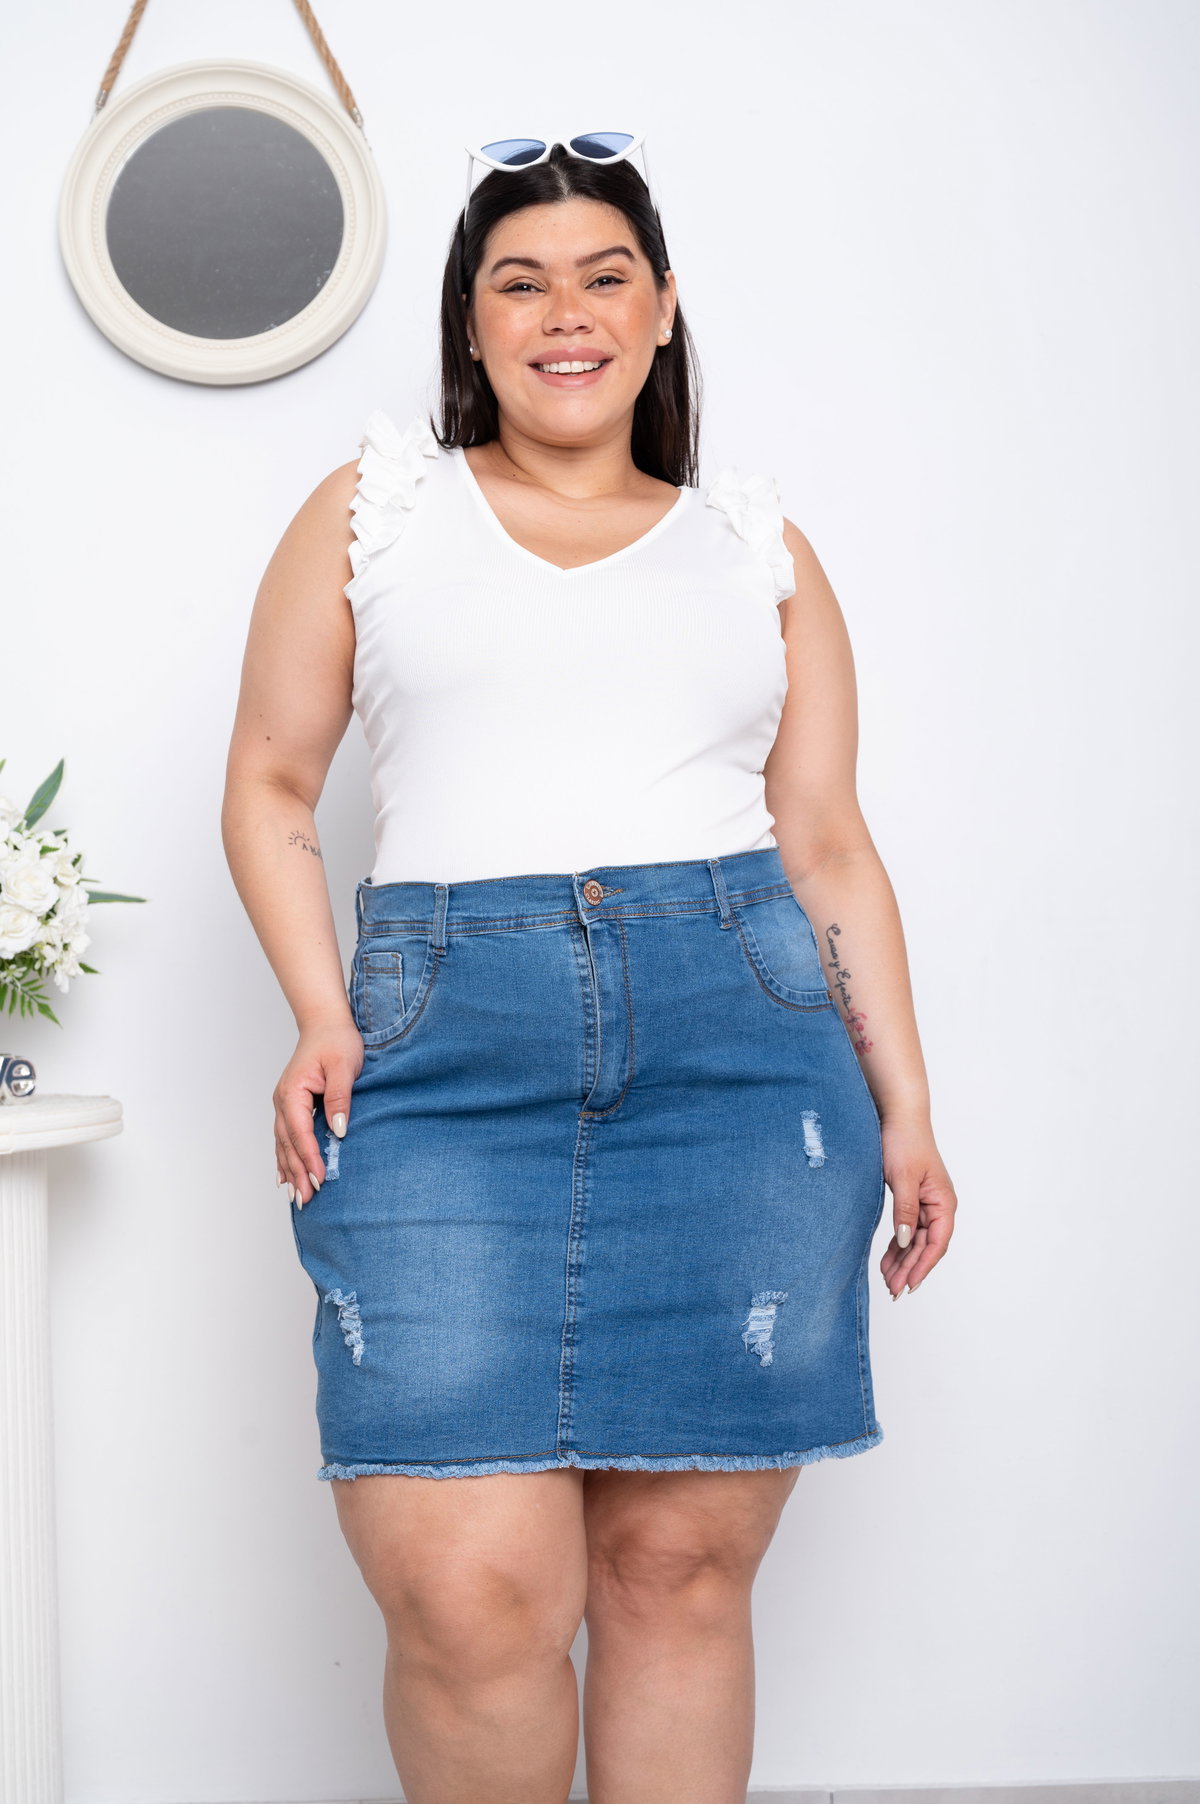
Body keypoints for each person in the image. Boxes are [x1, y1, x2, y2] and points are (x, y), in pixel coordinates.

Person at [221, 133, 957, 1804]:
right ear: (470, 323)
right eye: (522, 282)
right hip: (440, 1060)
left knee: (675, 1575)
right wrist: (322, 1014)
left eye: (606, 276)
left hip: (740, 1059)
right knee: (472, 1597)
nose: (568, 313)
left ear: (663, 308)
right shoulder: (376, 511)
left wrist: (906, 1107)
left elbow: (827, 844)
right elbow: (269, 783)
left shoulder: (755, 547)